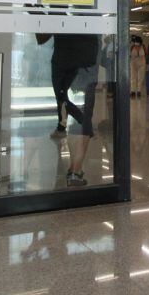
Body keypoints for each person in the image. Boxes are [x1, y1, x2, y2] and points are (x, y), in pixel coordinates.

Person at [38, 32, 99, 186]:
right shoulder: (87, 11)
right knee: (82, 113)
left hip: (63, 59)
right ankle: (75, 171)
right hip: (83, 59)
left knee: (70, 106)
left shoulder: (55, 9)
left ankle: (75, 169)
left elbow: (41, 37)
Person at [130, 33, 147, 98]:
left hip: (142, 63)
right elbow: (130, 55)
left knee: (141, 77)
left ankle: (139, 90)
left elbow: (146, 54)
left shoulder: (143, 47)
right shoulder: (132, 47)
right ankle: (133, 91)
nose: (136, 45)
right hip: (133, 63)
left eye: (137, 43)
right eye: (135, 43)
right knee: (133, 77)